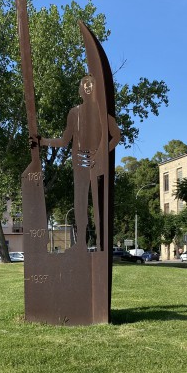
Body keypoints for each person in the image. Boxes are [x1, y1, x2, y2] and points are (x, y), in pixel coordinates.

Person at [40, 75, 120, 250]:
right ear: (81, 89)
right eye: (85, 83)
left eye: (91, 83)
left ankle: (101, 244)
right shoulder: (74, 113)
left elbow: (116, 136)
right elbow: (64, 140)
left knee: (98, 204)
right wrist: (43, 141)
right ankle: (82, 243)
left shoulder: (102, 113)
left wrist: (100, 153)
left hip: (97, 163)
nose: (88, 86)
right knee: (80, 202)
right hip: (79, 162)